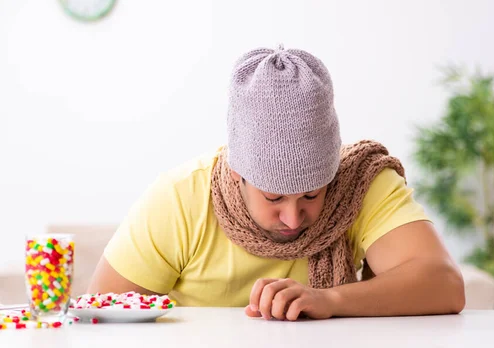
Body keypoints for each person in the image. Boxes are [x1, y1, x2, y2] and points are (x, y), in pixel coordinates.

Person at [87, 45, 465, 321]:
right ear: (237, 171)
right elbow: (101, 313)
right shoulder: (180, 198)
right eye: (273, 196)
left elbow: (444, 284)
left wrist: (330, 300)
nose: (293, 218)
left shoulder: (359, 184)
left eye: (312, 194)